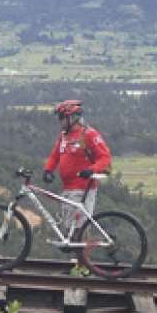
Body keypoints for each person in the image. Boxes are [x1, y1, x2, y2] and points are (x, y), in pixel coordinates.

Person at [42, 99, 112, 245]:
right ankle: (79, 263)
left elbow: (105, 158)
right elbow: (55, 156)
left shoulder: (89, 134)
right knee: (71, 231)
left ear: (72, 118)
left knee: (81, 231)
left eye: (62, 118)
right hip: (67, 189)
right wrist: (48, 169)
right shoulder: (64, 136)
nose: (60, 121)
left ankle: (83, 265)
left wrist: (91, 170)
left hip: (83, 187)